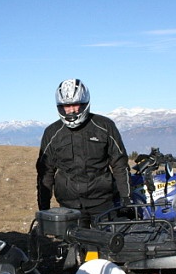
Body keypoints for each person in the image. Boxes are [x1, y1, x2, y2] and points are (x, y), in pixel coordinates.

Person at [36, 78, 131, 227]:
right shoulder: (52, 132)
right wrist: (44, 208)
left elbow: (120, 164)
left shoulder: (105, 126)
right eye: (66, 106)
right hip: (68, 206)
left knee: (108, 240)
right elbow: (45, 172)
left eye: (75, 104)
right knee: (71, 241)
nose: (71, 110)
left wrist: (126, 198)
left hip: (103, 203)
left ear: (85, 103)